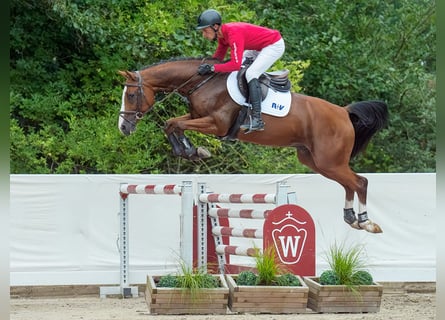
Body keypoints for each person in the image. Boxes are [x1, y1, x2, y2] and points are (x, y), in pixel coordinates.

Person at [196, 9, 285, 132]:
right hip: (258, 47)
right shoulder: (222, 36)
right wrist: (205, 67)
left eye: (205, 30)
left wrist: (212, 68)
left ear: (215, 26)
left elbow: (234, 65)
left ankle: (257, 119)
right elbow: (218, 59)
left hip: (273, 45)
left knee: (251, 73)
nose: (204, 35)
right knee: (239, 67)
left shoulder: (233, 33)